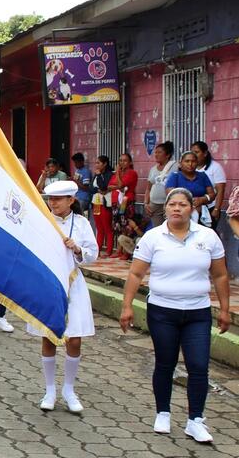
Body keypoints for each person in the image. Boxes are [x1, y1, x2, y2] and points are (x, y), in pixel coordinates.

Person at [120, 188, 231, 443]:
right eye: (172, 205)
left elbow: (220, 275)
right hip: (162, 311)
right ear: (166, 208)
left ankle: (195, 420)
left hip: (197, 312)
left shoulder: (208, 236)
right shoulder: (153, 237)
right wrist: (127, 306)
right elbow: (136, 274)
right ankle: (163, 413)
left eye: (183, 204)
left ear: (192, 208)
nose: (177, 208)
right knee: (165, 362)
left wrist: (225, 309)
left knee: (198, 366)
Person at [31, 181, 98, 413]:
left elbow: (92, 254)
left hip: (73, 284)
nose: (53, 203)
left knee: (75, 339)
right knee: (48, 337)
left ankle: (69, 389)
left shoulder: (81, 223)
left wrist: (78, 249)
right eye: (51, 199)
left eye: (58, 199)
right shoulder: (42, 220)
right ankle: (49, 390)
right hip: (48, 284)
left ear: (71, 200)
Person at [164, 151, 215, 225]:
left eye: (193, 161)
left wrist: (202, 199)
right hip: (180, 214)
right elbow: (171, 195)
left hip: (201, 214)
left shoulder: (202, 176)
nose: (190, 164)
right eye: (187, 161)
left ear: (197, 163)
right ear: (180, 163)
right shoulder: (175, 176)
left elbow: (212, 194)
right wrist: (189, 203)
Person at [191, 141, 227, 228]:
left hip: (210, 207)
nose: (193, 155)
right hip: (192, 207)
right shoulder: (189, 167)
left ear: (205, 153)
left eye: (196, 152)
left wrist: (216, 209)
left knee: (208, 232)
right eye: (192, 152)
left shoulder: (215, 167)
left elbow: (220, 190)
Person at [144, 142, 177, 228]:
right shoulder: (153, 169)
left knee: (171, 228)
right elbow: (148, 188)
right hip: (154, 205)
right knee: (157, 229)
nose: (156, 155)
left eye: (159, 152)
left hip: (170, 204)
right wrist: (146, 203)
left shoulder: (176, 167)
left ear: (167, 155)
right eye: (155, 152)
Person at [91, 155, 114, 257]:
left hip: (105, 203)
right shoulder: (96, 174)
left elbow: (104, 186)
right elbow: (91, 189)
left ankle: (109, 251)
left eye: (99, 163)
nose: (96, 165)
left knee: (107, 227)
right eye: (96, 163)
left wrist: (99, 175)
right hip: (96, 203)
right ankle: (98, 249)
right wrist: (98, 189)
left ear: (105, 164)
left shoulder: (109, 174)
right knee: (99, 228)